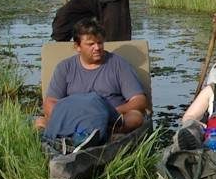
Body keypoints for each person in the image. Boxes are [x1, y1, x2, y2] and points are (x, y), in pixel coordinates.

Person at [36, 18, 148, 151]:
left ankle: (94, 137)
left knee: (136, 117)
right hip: (74, 120)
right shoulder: (64, 67)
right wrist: (79, 116)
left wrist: (105, 113)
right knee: (40, 121)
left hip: (110, 120)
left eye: (100, 43)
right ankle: (72, 139)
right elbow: (50, 102)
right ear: (77, 46)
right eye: (91, 44)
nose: (97, 48)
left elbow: (139, 100)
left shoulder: (119, 65)